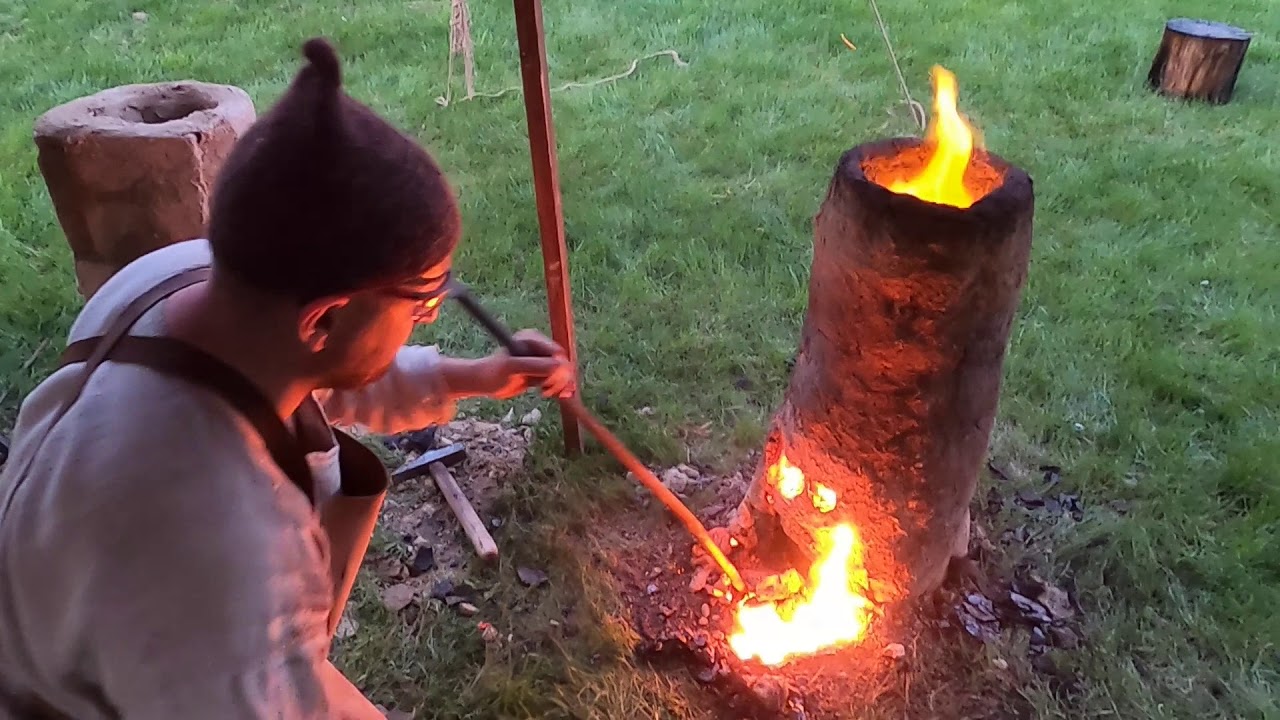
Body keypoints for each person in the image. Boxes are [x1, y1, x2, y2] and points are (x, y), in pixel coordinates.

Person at [0, 37, 573, 718]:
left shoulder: (170, 282)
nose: (425, 319)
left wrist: (477, 375)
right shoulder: (224, 560)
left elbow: (325, 373)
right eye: (419, 300)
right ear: (323, 317)